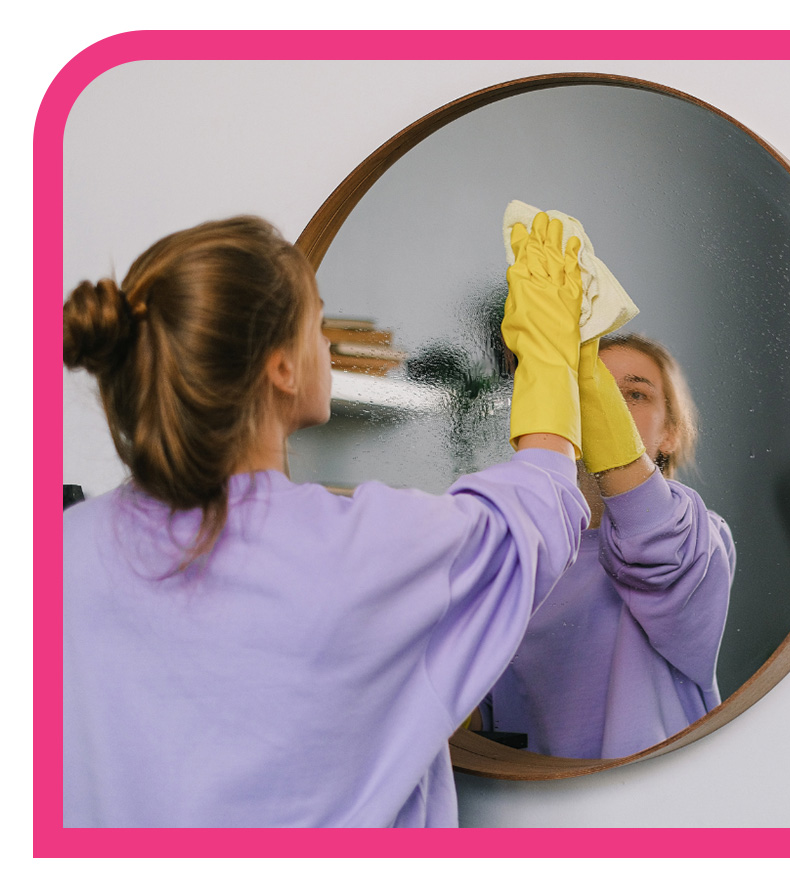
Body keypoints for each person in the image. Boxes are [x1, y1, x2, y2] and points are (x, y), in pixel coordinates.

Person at [62, 213, 589, 827]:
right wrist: (552, 360)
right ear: (282, 368)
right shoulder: (365, 551)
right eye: (318, 323)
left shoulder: (59, 553)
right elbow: (529, 524)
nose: (325, 346)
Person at [480, 332, 735, 760]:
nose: (610, 408)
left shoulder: (699, 537)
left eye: (634, 394)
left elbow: (653, 544)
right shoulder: (517, 548)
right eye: (590, 390)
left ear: (670, 433)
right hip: (528, 805)